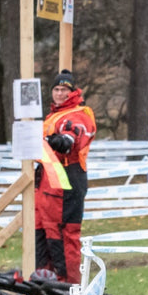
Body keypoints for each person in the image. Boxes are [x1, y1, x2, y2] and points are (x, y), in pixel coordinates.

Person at [35, 69, 96, 283]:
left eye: (64, 90)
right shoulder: (53, 115)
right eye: (57, 89)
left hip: (68, 180)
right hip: (46, 181)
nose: (60, 94)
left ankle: (68, 283)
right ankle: (45, 278)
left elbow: (74, 136)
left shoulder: (80, 114)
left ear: (72, 92)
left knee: (64, 234)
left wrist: (59, 141)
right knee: (43, 230)